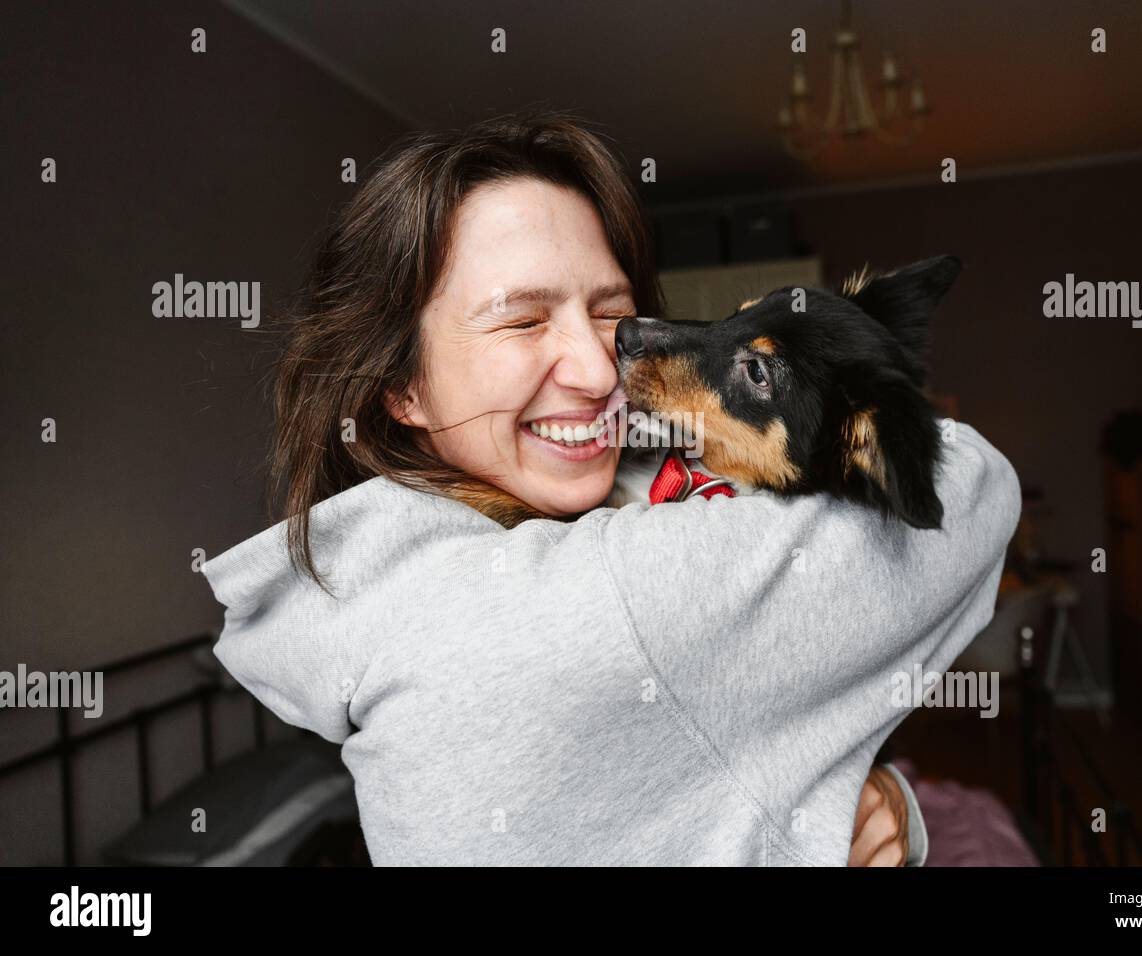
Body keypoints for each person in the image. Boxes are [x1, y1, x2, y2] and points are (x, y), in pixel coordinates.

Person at [202, 111, 1021, 866]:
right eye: (522, 321)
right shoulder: (597, 600)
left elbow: (719, 780)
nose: (603, 372)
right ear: (401, 386)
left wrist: (879, 802)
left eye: (610, 313)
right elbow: (972, 490)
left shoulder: (387, 570)